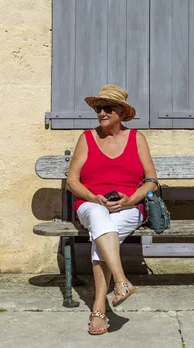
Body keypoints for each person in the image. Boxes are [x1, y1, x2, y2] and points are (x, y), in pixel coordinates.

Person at [66, 84, 158, 336]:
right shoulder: (86, 138)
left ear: (122, 112)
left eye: (108, 108)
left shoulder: (137, 138)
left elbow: (152, 180)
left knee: (103, 234)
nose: (101, 113)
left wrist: (130, 200)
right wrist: (93, 197)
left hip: (128, 205)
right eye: (98, 108)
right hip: (91, 203)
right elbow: (72, 180)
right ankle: (120, 280)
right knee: (98, 218)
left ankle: (98, 308)